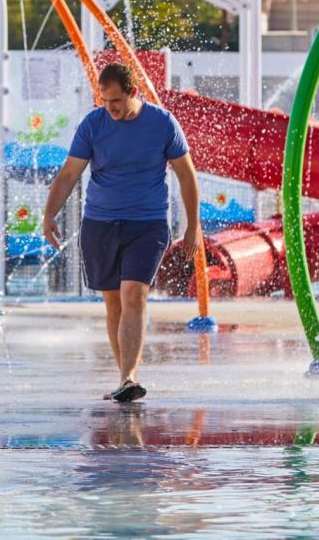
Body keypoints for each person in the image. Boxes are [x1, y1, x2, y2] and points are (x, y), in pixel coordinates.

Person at [42, 62, 201, 404]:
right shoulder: (93, 124)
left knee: (134, 294)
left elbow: (186, 175)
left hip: (148, 223)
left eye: (114, 100)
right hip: (100, 223)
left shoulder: (162, 123)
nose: (109, 107)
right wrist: (49, 213)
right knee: (113, 301)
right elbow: (69, 174)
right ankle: (123, 378)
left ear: (132, 92)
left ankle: (130, 376)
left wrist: (193, 225)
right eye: (104, 100)